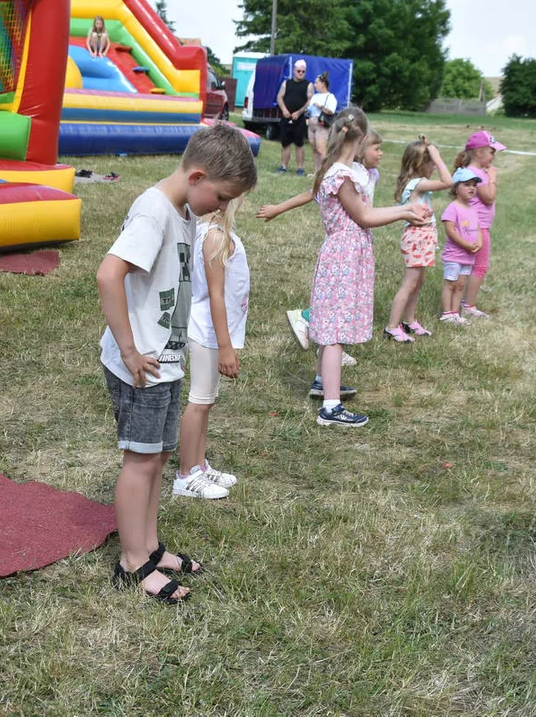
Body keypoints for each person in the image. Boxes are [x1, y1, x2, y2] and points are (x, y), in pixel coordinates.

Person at [96, 124, 257, 603]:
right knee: (140, 463)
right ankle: (132, 562)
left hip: (164, 362)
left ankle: (149, 548)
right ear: (198, 175)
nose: (223, 208)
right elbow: (109, 274)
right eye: (223, 196)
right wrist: (128, 349)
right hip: (142, 364)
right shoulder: (153, 212)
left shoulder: (184, 210)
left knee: (159, 457)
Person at [308, 108, 426, 426]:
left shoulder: (340, 169)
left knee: (337, 322)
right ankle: (330, 408)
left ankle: (323, 383)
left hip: (347, 254)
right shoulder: (340, 175)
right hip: (343, 256)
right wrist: (404, 211)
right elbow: (364, 216)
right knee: (333, 331)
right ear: (359, 139)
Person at [261, 129, 385, 368]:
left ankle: (333, 349)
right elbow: (312, 192)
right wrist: (279, 208)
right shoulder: (345, 175)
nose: (381, 153)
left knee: (347, 299)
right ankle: (307, 318)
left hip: (358, 243)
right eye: (376, 148)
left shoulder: (368, 174)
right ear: (360, 147)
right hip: (344, 246)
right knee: (339, 299)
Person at [175, 199, 249, 499]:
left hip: (214, 331)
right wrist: (226, 347)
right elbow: (215, 296)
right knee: (199, 402)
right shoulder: (215, 236)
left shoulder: (213, 231)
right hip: (208, 332)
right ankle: (184, 475)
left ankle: (198, 465)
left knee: (206, 401)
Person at [384, 136, 453, 342]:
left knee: (417, 283)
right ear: (419, 164)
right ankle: (392, 326)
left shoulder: (417, 182)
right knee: (409, 283)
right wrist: (437, 155)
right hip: (416, 238)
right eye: (431, 162)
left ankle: (409, 321)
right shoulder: (417, 183)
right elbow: (448, 182)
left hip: (422, 238)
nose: (434, 166)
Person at [455, 131, 507, 318]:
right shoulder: (478, 174)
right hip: (478, 227)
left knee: (467, 264)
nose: (493, 157)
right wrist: (492, 178)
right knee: (480, 266)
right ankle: (468, 305)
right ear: (479, 152)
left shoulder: (472, 171)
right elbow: (489, 197)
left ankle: (460, 302)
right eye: (492, 152)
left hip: (472, 225)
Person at [439, 169, 483, 326]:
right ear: (456, 188)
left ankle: (455, 313)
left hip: (468, 256)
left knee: (460, 285)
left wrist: (479, 242)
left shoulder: (472, 209)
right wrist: (466, 245)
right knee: (450, 284)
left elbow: (477, 228)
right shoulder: (453, 207)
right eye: (467, 185)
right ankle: (446, 314)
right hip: (454, 256)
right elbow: (450, 230)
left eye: (474, 185)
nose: (472, 188)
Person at [276, 59, 313, 175]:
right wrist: (284, 110)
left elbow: (310, 101)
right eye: (299, 71)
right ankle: (283, 166)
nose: (301, 73)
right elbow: (279, 97)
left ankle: (300, 168)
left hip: (300, 119)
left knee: (299, 144)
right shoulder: (286, 83)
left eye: (303, 71)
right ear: (294, 71)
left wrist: (299, 112)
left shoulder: (309, 85)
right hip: (286, 117)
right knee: (285, 143)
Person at [306, 72, 338, 173]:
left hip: (322, 125)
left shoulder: (330, 97)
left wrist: (319, 106)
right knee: (314, 149)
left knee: (321, 149)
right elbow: (310, 109)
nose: (315, 85)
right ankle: (316, 172)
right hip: (311, 125)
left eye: (316, 83)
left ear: (323, 84)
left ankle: (325, 172)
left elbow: (331, 111)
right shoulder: (315, 96)